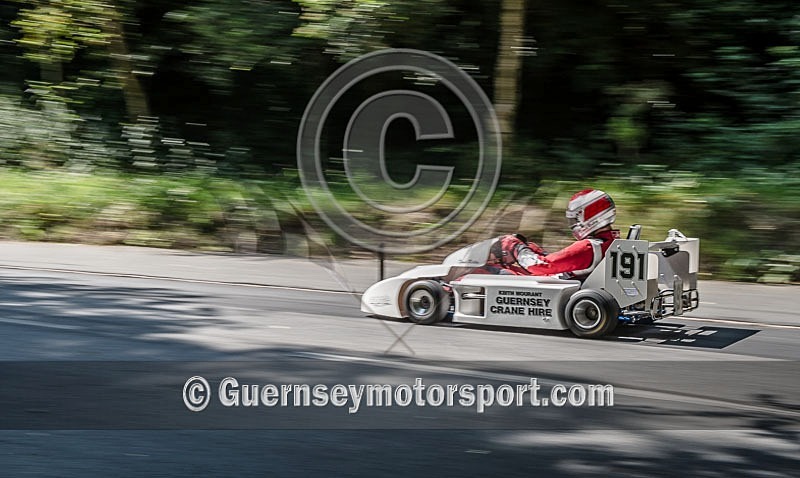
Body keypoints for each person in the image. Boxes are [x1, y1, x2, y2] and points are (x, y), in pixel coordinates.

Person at [486, 189, 620, 279]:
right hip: (568, 284)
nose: (573, 224)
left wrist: (516, 248)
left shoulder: (589, 247)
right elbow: (565, 263)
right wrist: (533, 250)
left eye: (575, 219)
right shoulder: (611, 244)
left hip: (552, 292)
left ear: (589, 217)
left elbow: (539, 266)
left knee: (490, 271)